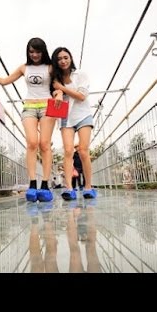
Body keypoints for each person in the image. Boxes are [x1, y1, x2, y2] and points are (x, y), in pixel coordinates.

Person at [0, 37, 56, 202]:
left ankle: (45, 184)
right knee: (32, 142)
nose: (34, 55)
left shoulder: (50, 67)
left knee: (45, 145)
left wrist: (60, 94)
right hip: (29, 107)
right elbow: (4, 81)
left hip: (49, 107)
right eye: (31, 51)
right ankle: (33, 183)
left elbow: (59, 85)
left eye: (38, 51)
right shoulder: (23, 68)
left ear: (43, 51)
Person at [50, 47, 97, 200]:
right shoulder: (55, 79)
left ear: (70, 58)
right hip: (65, 117)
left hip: (83, 114)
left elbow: (81, 96)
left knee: (83, 150)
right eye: (59, 59)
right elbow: (54, 93)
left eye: (65, 57)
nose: (63, 61)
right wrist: (57, 92)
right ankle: (69, 188)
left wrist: (61, 88)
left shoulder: (80, 75)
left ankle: (88, 187)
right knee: (68, 151)